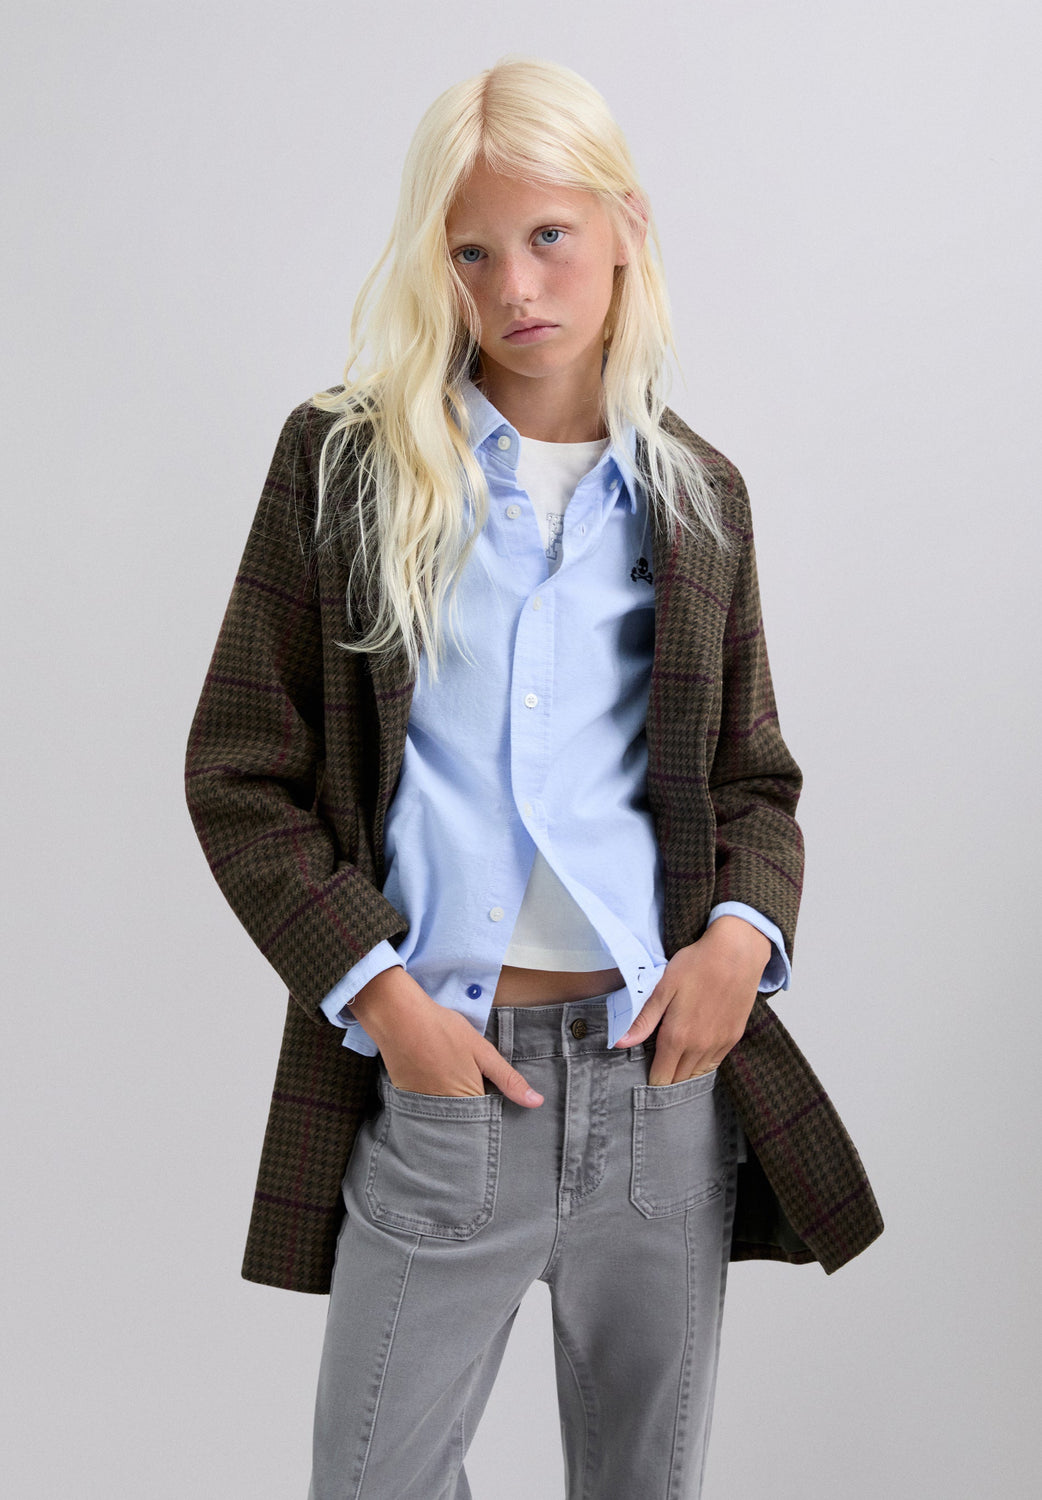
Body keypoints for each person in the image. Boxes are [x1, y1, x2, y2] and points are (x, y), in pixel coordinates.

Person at [185, 55, 883, 1500]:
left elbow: (753, 781)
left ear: (625, 224)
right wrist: (387, 1006)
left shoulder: (699, 497)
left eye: (549, 235)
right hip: (450, 1080)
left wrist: (738, 946)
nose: (514, 286)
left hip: (659, 1088)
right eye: (471, 251)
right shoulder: (346, 467)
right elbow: (240, 772)